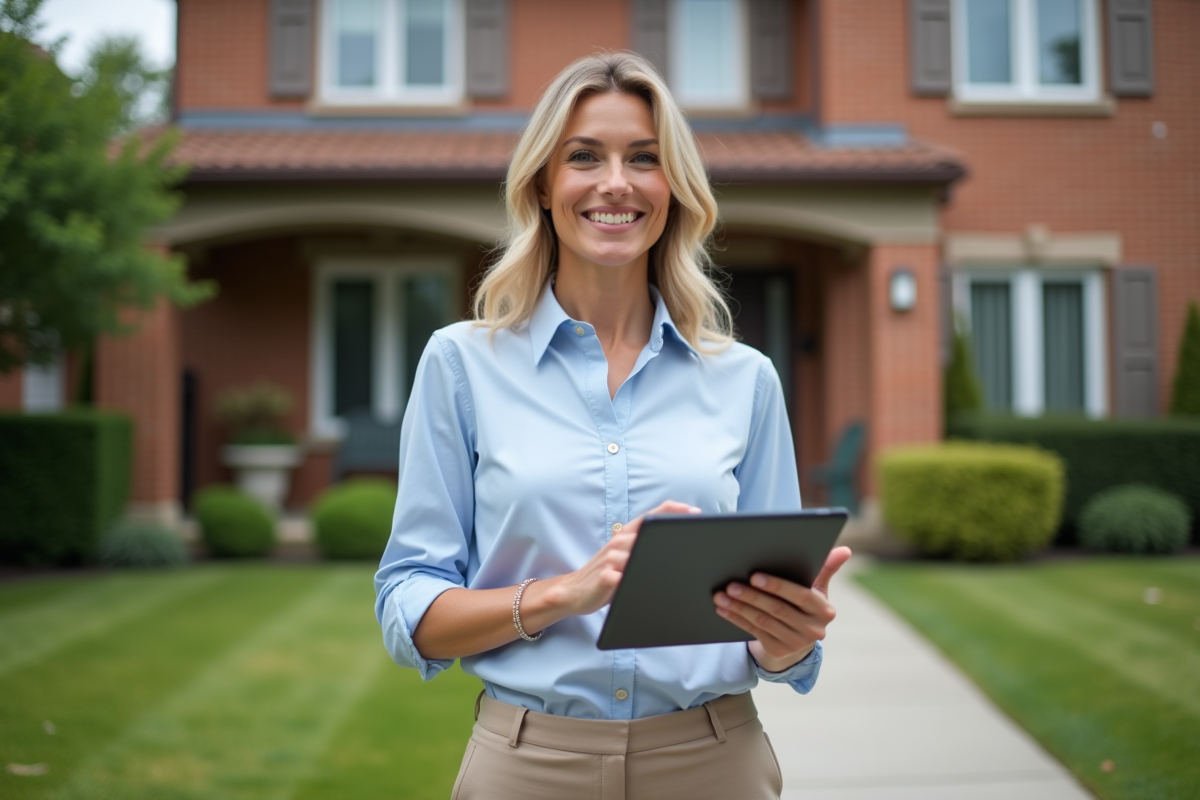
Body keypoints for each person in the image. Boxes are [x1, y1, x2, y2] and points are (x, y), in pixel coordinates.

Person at [375, 51, 852, 800]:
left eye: (644, 159)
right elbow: (410, 605)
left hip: (714, 760)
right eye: (584, 157)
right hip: (527, 765)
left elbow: (775, 633)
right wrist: (564, 593)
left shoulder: (746, 379)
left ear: (674, 189)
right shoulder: (461, 364)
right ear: (542, 184)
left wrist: (787, 640)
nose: (616, 183)